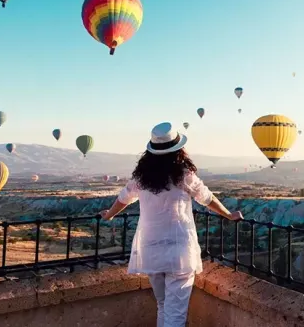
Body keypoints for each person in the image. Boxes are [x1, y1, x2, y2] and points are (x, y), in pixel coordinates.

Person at [99, 122, 243, 327]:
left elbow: (124, 198)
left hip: (150, 248)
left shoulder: (141, 177)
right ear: (178, 149)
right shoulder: (183, 175)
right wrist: (228, 214)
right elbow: (207, 198)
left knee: (163, 305)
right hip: (178, 250)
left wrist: (110, 215)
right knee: (175, 314)